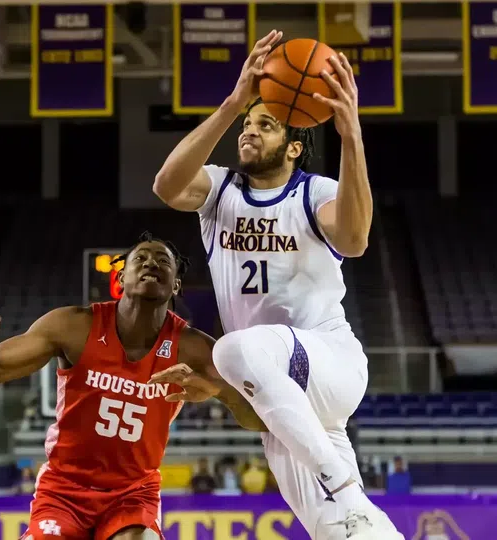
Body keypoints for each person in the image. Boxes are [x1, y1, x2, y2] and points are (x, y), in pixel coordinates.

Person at [151, 29, 403, 540]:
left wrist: (351, 134)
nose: (249, 131)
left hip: (329, 362)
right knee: (341, 531)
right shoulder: (219, 189)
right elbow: (166, 186)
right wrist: (231, 104)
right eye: (248, 124)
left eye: (264, 125)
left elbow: (354, 240)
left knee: (230, 350)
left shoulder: (314, 193)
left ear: (294, 146)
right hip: (282, 397)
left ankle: (348, 491)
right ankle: (354, 509)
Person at [0, 233, 263, 540]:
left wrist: (218, 391)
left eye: (162, 260)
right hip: (64, 490)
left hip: (132, 494)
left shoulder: (192, 348)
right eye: (139, 258)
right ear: (121, 277)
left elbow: (258, 418)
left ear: (176, 284)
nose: (150, 263)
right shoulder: (74, 326)